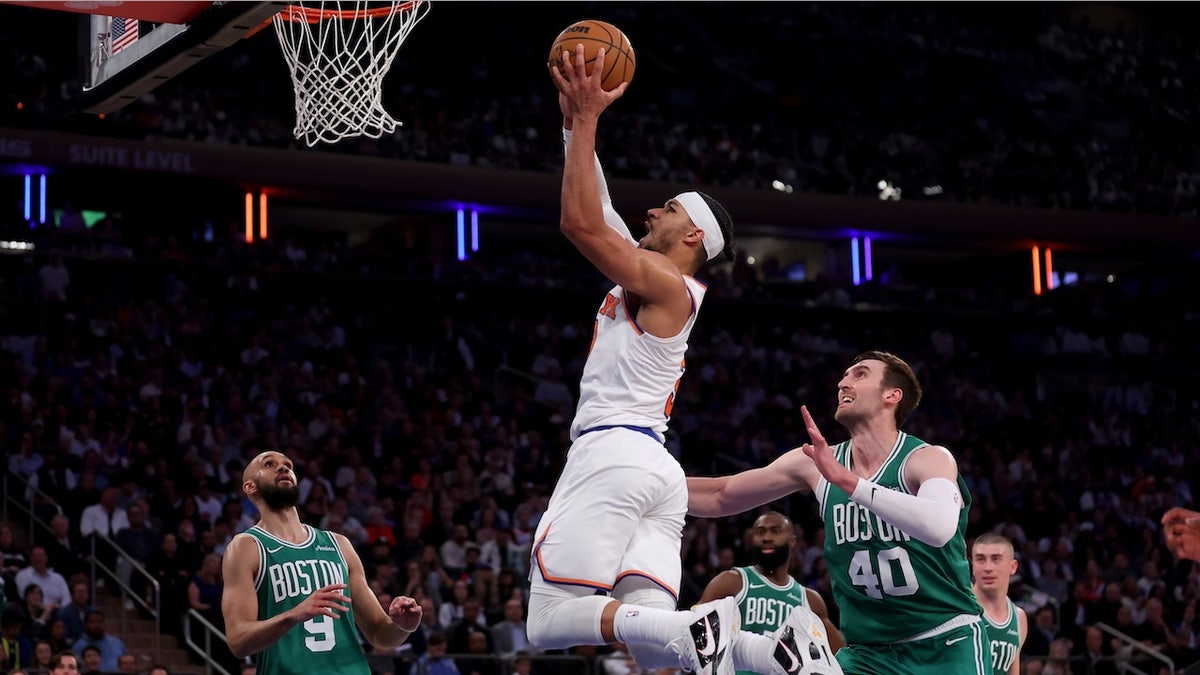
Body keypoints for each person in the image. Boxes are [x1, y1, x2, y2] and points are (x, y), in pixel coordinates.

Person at [532, 44, 811, 675]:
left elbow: (579, 222)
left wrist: (588, 121)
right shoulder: (660, 279)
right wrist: (575, 121)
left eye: (671, 207)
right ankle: (763, 652)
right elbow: (597, 201)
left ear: (692, 238)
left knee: (547, 621)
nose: (653, 209)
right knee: (654, 649)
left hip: (612, 454)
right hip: (658, 474)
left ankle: (699, 625)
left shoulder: (661, 280)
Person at [688, 350, 986, 674]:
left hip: (945, 644)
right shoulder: (818, 462)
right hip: (867, 655)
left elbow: (940, 526)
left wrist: (850, 482)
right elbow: (721, 495)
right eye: (843, 376)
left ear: (892, 395)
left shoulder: (927, 459)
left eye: (859, 374)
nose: (843, 382)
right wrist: (645, 482)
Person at [221, 450, 422, 675]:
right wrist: (294, 614)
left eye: (288, 465)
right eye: (269, 464)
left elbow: (379, 634)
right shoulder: (246, 547)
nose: (283, 467)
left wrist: (403, 626)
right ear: (250, 487)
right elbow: (238, 641)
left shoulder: (338, 544)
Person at [697, 511, 845, 675]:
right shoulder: (731, 582)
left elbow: (841, 653)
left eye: (775, 531)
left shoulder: (810, 600)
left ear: (793, 540)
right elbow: (690, 631)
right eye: (760, 532)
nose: (766, 537)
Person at [970, 533, 1027, 675]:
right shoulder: (959, 605)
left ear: (1013, 567)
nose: (988, 567)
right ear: (973, 566)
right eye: (980, 559)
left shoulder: (1019, 618)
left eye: (996, 559)